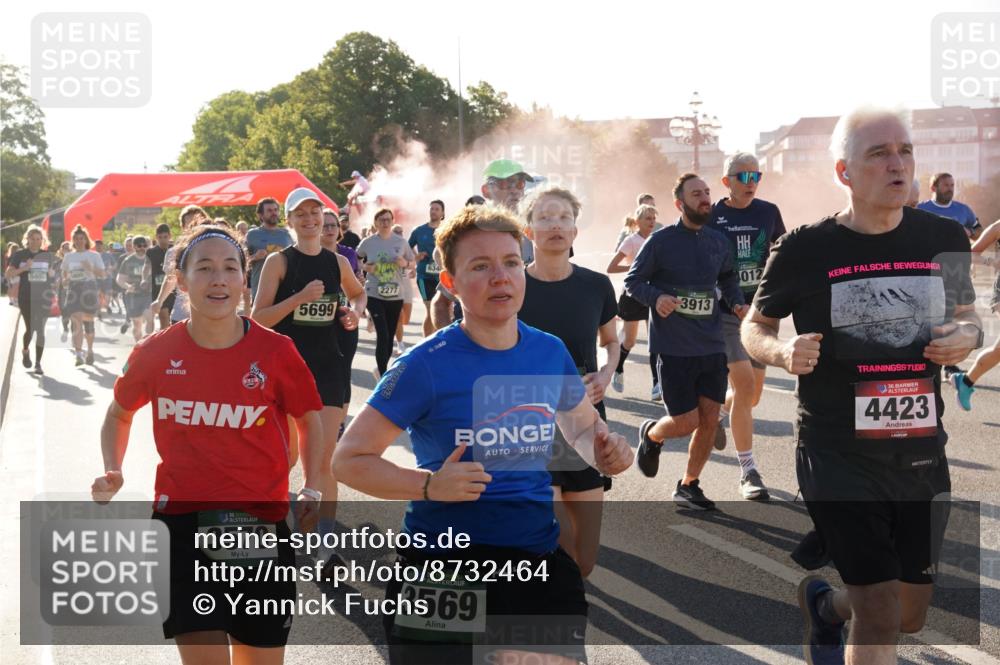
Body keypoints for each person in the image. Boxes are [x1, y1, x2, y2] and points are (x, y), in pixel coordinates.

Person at [332, 203, 633, 665]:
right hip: (441, 570)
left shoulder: (548, 351)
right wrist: (429, 485)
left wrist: (607, 451)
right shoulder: (424, 364)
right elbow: (348, 460)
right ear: (449, 283)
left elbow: (580, 427)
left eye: (511, 262)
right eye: (481, 266)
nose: (501, 277)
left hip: (536, 559)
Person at [742, 107, 981, 665]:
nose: (897, 163)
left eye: (905, 151)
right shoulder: (804, 248)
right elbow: (755, 326)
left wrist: (966, 337)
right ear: (844, 171)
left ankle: (826, 608)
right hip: (837, 452)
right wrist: (781, 352)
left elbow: (969, 316)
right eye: (878, 154)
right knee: (880, 613)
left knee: (908, 614)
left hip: (921, 450)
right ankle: (847, 610)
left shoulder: (943, 237)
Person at [92, 223, 324, 664]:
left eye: (230, 268)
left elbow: (309, 419)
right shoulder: (155, 352)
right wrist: (114, 468)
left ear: (243, 279)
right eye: (204, 268)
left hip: (260, 523)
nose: (219, 278)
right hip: (181, 525)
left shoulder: (276, 351)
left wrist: (311, 485)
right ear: (181, 280)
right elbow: (119, 412)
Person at [251, 188, 366, 571]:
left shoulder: (338, 263)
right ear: (290, 221)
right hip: (286, 370)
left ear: (324, 218)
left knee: (324, 463)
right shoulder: (278, 263)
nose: (310, 219)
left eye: (315, 212)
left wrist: (353, 313)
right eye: (301, 214)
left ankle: (325, 545)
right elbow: (258, 320)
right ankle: (275, 529)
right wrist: (297, 299)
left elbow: (358, 295)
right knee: (285, 458)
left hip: (328, 368)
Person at [627, 173, 747, 510]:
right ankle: (652, 434)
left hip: (710, 344)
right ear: (680, 204)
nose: (705, 198)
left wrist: (736, 302)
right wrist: (657, 297)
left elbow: (727, 278)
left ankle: (689, 484)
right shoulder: (661, 241)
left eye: (707, 192)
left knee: (710, 417)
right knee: (686, 421)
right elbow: (633, 281)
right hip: (674, 346)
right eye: (697, 194)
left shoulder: (717, 241)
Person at [518, 186, 620, 577]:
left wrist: (607, 373)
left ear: (576, 231)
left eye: (564, 218)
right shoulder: (514, 287)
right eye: (544, 217)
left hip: (585, 422)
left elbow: (611, 343)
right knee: (555, 542)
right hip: (528, 424)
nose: (555, 225)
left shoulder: (595, 286)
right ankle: (550, 628)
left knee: (585, 561)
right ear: (529, 231)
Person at [708, 152, 787, 500]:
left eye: (756, 175)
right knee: (743, 387)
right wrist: (729, 299)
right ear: (726, 182)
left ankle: (720, 409)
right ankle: (748, 471)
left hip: (762, 316)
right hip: (726, 314)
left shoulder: (768, 212)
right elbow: (702, 263)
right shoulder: (713, 216)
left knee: (750, 397)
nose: (751, 181)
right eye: (742, 176)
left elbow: (782, 255)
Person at [607, 204, 661, 399]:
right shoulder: (631, 241)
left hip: (652, 294)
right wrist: (633, 270)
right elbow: (611, 267)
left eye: (653, 218)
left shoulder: (657, 239)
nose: (652, 222)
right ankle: (618, 369)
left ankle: (657, 383)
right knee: (629, 341)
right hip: (632, 296)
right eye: (647, 218)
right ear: (638, 222)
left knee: (656, 340)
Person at [321, 208, 366, 437]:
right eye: (325, 225)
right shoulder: (309, 255)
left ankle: (339, 423)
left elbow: (357, 287)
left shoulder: (347, 253)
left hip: (344, 318)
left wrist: (357, 312)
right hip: (317, 323)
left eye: (333, 225)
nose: (329, 229)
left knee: (342, 372)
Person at [356, 208, 415, 378]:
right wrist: (367, 267)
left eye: (388, 219)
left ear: (392, 221)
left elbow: (412, 263)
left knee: (389, 335)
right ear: (376, 223)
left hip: (396, 294)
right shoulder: (368, 242)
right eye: (381, 220)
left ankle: (382, 368)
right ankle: (383, 373)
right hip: (374, 292)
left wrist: (405, 262)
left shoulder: (401, 242)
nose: (385, 222)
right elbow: (356, 259)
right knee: (382, 333)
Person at [951, 217, 1000, 410]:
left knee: (998, 352)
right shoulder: (998, 227)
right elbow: (971, 254)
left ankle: (966, 381)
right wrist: (992, 261)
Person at [5, 225, 56, 374]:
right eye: (32, 239)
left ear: (42, 240)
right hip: (26, 296)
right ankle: (26, 350)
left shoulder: (47, 255)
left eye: (38, 239)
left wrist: (52, 274)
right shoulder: (20, 255)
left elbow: (53, 276)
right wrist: (25, 268)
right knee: (31, 328)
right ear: (27, 240)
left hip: (43, 296)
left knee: (40, 329)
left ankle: (38, 364)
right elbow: (9, 274)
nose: (35, 241)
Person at [151, 205, 208, 326]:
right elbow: (170, 279)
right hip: (182, 315)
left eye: (198, 223)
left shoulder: (217, 250)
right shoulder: (175, 252)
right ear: (183, 228)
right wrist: (159, 300)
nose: (195, 228)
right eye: (190, 225)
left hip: (210, 314)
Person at [62, 225, 107, 366]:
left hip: (89, 289)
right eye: (76, 238)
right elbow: (63, 280)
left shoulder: (94, 255)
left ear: (86, 239)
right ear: (73, 240)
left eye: (82, 238)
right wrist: (66, 279)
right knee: (76, 322)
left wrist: (90, 268)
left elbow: (102, 274)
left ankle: (90, 350)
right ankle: (78, 354)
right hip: (74, 289)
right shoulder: (68, 257)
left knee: (88, 323)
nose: (79, 241)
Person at [409, 200, 446, 337]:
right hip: (425, 275)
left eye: (437, 209)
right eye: (432, 209)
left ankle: (438, 339)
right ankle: (427, 340)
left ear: (442, 213)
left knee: (443, 309)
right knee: (430, 308)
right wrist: (416, 256)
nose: (433, 211)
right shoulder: (419, 231)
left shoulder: (447, 229)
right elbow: (407, 247)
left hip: (443, 276)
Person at [245, 197, 294, 298]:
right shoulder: (252, 235)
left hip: (285, 289)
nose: (274, 213)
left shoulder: (287, 234)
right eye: (269, 210)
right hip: (260, 290)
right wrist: (255, 257)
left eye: (276, 210)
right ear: (260, 215)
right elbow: (241, 261)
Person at [916, 172, 981, 240]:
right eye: (946, 185)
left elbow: (979, 231)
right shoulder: (919, 209)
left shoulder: (964, 209)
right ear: (933, 188)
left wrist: (970, 232)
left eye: (952, 185)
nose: (950, 189)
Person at [116, 235, 152, 343]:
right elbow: (120, 279)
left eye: (144, 245)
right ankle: (139, 346)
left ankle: (149, 344)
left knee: (149, 318)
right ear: (134, 246)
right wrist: (128, 286)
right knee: (137, 324)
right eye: (139, 246)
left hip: (148, 294)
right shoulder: (128, 260)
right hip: (133, 295)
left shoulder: (151, 259)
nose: (142, 248)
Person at [392, 224, 416, 355]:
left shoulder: (405, 244)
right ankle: (399, 343)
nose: (399, 233)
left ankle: (395, 335)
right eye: (396, 231)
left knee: (405, 317)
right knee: (398, 316)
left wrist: (410, 267)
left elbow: (413, 262)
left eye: (401, 231)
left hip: (405, 283)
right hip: (391, 284)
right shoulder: (386, 245)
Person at [144, 223, 173, 330]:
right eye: (160, 237)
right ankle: (165, 343)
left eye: (165, 237)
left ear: (170, 236)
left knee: (174, 320)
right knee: (164, 318)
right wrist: (143, 278)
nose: (163, 240)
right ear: (156, 237)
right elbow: (146, 267)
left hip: (174, 290)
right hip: (158, 290)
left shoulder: (175, 250)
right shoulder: (151, 252)